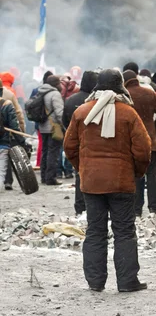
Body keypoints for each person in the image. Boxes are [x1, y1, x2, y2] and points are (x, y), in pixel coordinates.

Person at [64, 68, 151, 293]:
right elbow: (143, 149)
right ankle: (127, 281)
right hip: (122, 182)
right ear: (119, 86)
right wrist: (137, 172)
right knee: (124, 231)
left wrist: (84, 169)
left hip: (92, 183)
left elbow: (69, 147)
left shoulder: (82, 112)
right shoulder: (128, 113)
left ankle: (95, 282)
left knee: (95, 230)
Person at [123, 70, 156, 217]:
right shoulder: (149, 93)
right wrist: (154, 128)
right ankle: (154, 207)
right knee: (151, 175)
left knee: (136, 175)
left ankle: (137, 210)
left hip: (132, 142)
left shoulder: (124, 97)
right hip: (150, 141)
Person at [63, 71, 99, 216]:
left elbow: (65, 121)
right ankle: (94, 206)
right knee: (95, 174)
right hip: (94, 142)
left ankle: (80, 206)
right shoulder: (96, 102)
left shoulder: (71, 100)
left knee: (80, 174)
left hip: (77, 142)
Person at [38, 75, 65, 186]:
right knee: (53, 153)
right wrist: (64, 125)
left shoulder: (41, 92)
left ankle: (44, 177)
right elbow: (59, 113)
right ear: (56, 84)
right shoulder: (55, 94)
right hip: (54, 127)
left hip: (43, 127)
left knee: (45, 152)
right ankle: (51, 178)